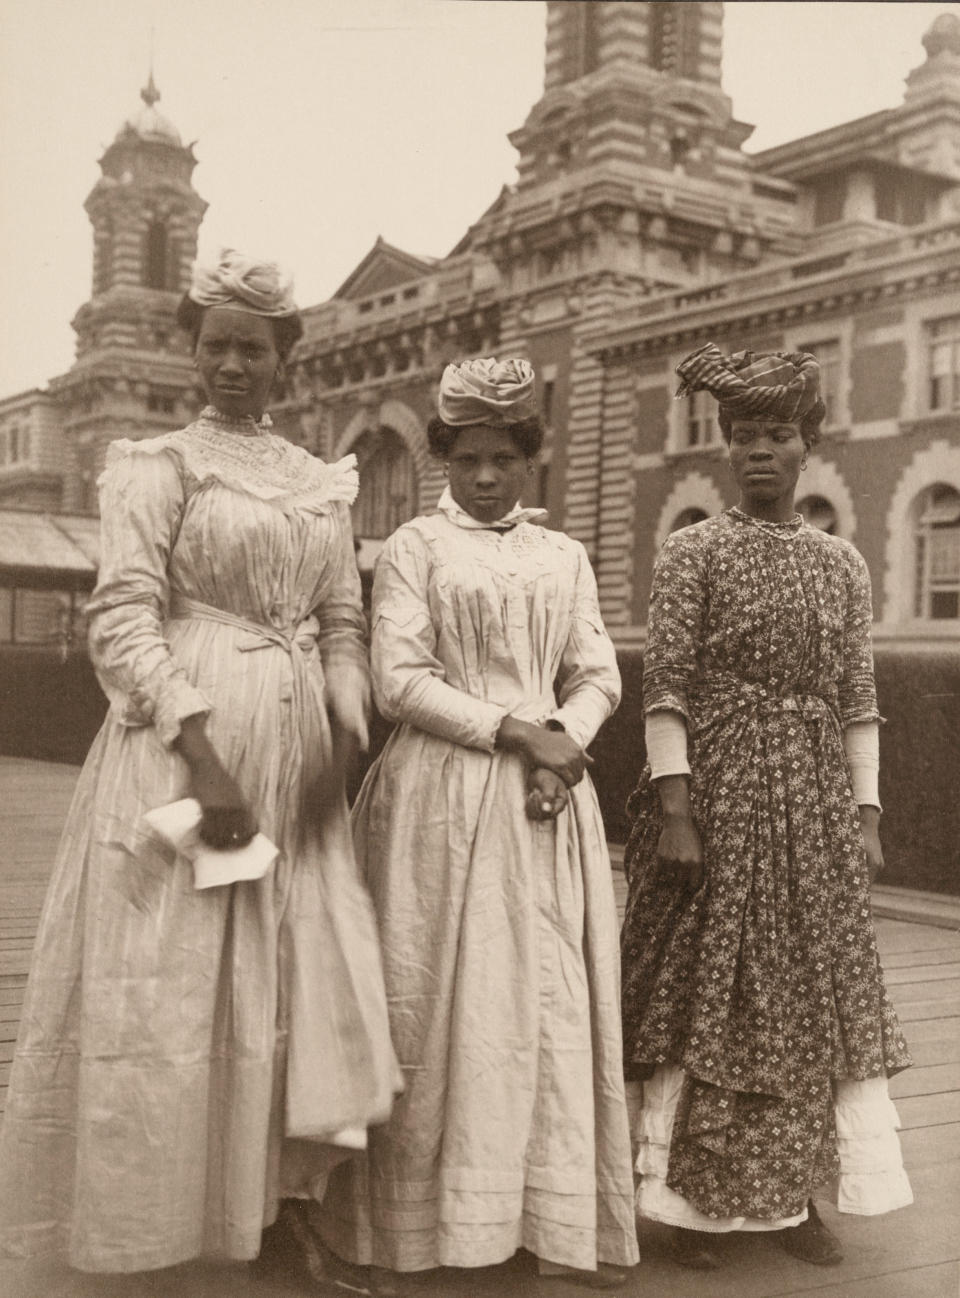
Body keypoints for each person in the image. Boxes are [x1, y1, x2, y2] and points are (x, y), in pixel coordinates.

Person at [0, 249, 399, 1284]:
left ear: (283, 357)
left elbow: (344, 619)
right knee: (174, 981)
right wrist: (197, 748)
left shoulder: (321, 482)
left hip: (297, 742)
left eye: (251, 347)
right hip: (186, 747)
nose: (231, 362)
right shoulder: (156, 462)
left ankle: (280, 1202)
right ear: (195, 349)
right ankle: (154, 1210)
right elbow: (125, 614)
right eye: (214, 343)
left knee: (293, 983)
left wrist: (347, 722)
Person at [318, 359, 640, 1290]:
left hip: (547, 801)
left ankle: (539, 1216)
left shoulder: (562, 555)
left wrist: (561, 744)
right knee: (441, 1000)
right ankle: (422, 1232)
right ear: (444, 459)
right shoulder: (416, 546)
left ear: (529, 461)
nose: (488, 476)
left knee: (541, 1003)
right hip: (442, 794)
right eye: (469, 459)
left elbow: (598, 674)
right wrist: (514, 735)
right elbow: (400, 681)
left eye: (504, 458)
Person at [619, 344, 913, 1271]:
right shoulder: (693, 549)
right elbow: (664, 686)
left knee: (807, 995)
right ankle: (678, 1202)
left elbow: (858, 694)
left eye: (777, 436)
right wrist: (676, 808)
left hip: (814, 802)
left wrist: (864, 813)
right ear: (726, 446)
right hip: (717, 788)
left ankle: (796, 1200)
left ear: (805, 448)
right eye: (743, 436)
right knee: (709, 990)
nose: (759, 453)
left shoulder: (841, 563)